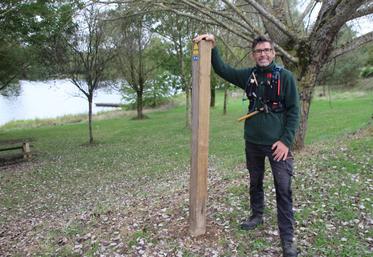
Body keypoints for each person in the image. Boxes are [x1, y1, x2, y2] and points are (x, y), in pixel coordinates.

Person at [194, 34, 300, 257]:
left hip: (278, 145)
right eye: (258, 51)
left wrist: (285, 142)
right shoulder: (248, 76)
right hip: (252, 141)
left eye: (266, 50)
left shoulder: (286, 77)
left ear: (273, 53)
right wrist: (213, 46)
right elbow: (223, 69)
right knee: (255, 181)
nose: (263, 54)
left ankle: (287, 239)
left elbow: (294, 112)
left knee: (283, 189)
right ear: (254, 55)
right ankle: (257, 215)